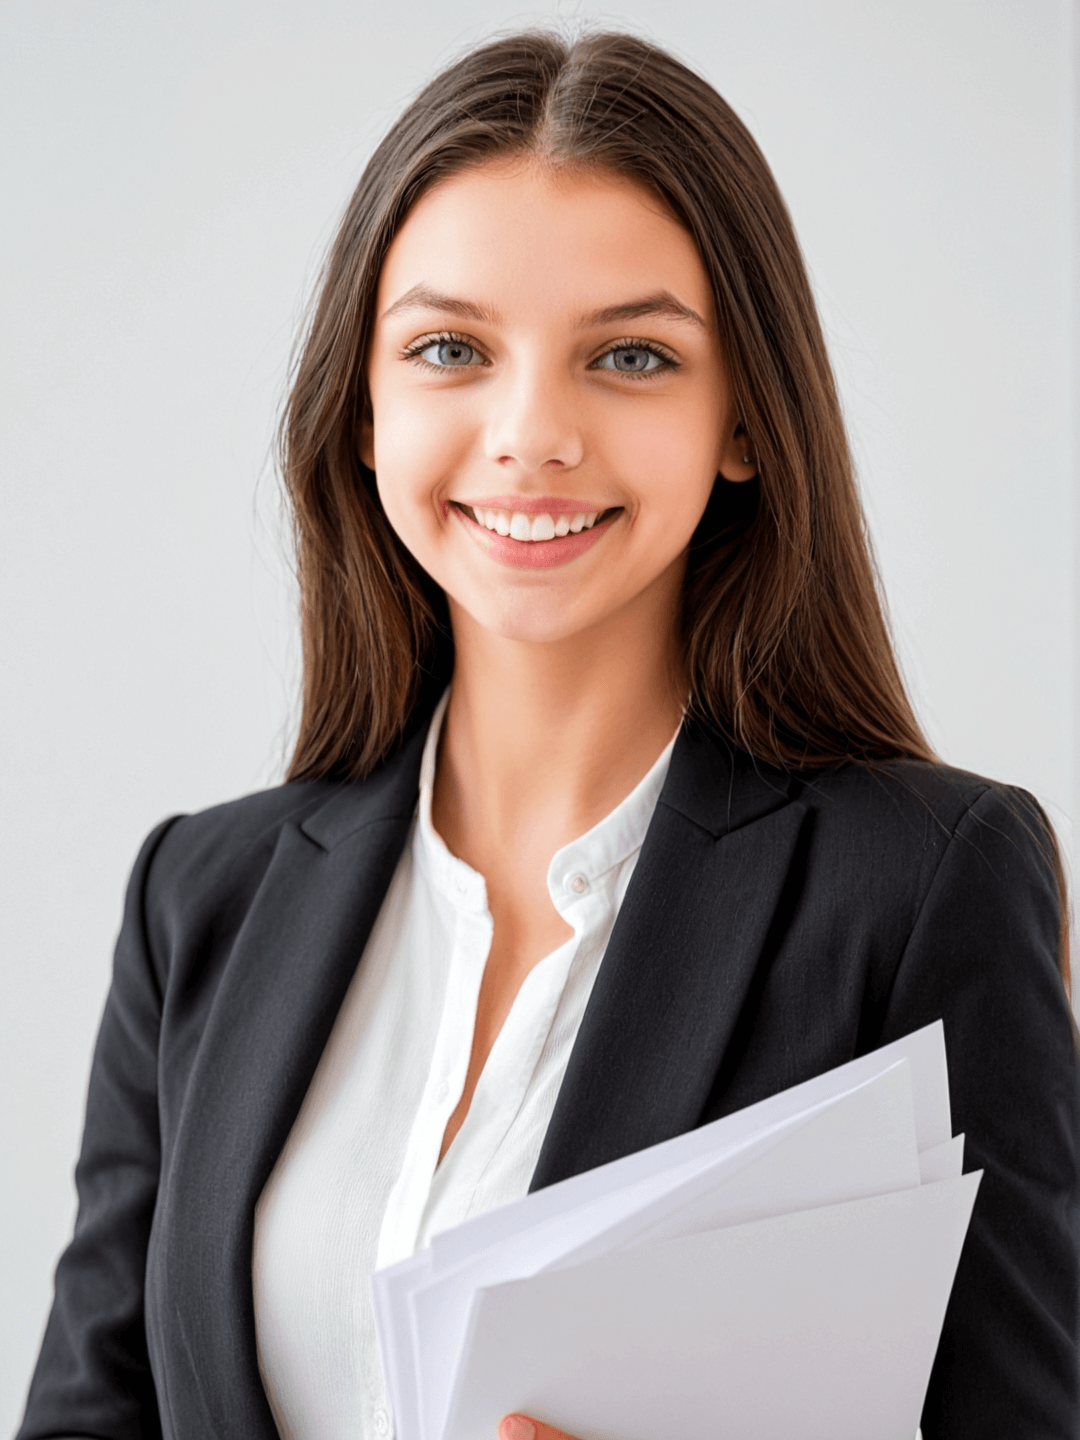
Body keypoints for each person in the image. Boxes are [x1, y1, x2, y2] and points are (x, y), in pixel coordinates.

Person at [17, 26, 1079, 1440]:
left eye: (631, 356)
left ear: (743, 418)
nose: (531, 434)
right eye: (450, 349)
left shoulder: (922, 887)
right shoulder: (199, 902)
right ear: (364, 410)